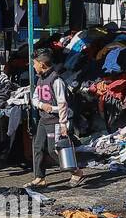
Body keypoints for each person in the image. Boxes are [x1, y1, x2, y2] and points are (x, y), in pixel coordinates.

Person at [29, 47, 84, 188]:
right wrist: (41, 105)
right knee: (38, 147)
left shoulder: (56, 80)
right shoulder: (40, 80)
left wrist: (63, 123)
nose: (33, 66)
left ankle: (76, 171)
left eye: (34, 63)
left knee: (54, 149)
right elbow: (34, 98)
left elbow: (62, 104)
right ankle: (39, 177)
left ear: (42, 64)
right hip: (43, 119)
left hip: (55, 120)